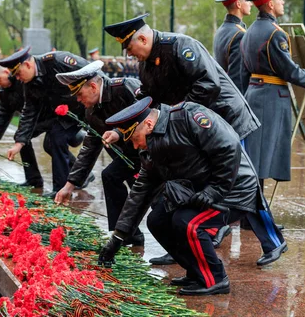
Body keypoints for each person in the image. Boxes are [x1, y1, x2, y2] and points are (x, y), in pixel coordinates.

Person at [104, 13, 260, 261]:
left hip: (221, 118)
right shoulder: (146, 65)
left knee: (239, 181)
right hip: (191, 128)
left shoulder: (181, 46)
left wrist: (177, 119)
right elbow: (148, 99)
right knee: (196, 182)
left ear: (143, 38)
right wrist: (128, 126)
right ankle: (195, 239)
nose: (130, 56)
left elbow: (209, 85)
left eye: (131, 49)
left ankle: (271, 240)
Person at [97, 98, 288, 296]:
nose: (135, 146)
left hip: (233, 188)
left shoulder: (188, 116)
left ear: (149, 123)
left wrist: (215, 190)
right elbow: (140, 192)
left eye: (135, 139)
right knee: (157, 221)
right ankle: (197, 272)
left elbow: (229, 147)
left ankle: (215, 278)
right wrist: (117, 238)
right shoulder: (152, 145)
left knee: (188, 223)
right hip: (200, 191)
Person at [240, 0, 305, 183]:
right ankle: (255, 209)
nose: (283, 2)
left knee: (256, 156)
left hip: (254, 95)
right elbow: (289, 71)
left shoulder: (249, 32)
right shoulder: (275, 34)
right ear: (270, 4)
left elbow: (244, 71)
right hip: (271, 100)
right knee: (261, 160)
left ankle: (255, 206)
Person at [54, 60, 144, 246]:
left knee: (157, 199)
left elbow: (148, 115)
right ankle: (125, 234)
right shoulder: (91, 111)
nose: (78, 100)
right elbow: (90, 147)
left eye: (79, 94)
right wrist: (69, 186)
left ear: (93, 86)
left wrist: (119, 133)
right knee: (110, 175)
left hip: (150, 150)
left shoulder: (125, 88)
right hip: (128, 155)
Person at [0, 46, 94, 198]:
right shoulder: (29, 83)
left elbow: (92, 70)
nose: (17, 78)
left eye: (18, 73)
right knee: (48, 143)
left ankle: (60, 188)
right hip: (61, 113)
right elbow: (29, 111)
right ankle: (81, 175)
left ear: (28, 65)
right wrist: (19, 142)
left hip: (82, 107)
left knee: (57, 137)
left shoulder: (57, 61)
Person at [0, 62, 45, 188]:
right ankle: (33, 180)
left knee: (54, 143)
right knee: (21, 138)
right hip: (32, 120)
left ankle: (77, 174)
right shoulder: (4, 91)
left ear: (6, 72)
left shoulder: (24, 80)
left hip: (47, 115)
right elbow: (2, 116)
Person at [213, 0, 252, 92]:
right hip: (234, 96)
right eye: (247, 0)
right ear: (239, 4)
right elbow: (238, 77)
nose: (251, 4)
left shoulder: (221, 30)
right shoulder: (239, 34)